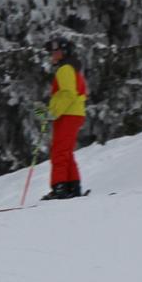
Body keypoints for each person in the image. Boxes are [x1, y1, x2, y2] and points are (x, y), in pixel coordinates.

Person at [43, 36, 88, 199]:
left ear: (65, 51)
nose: (53, 55)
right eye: (52, 52)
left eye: (56, 51)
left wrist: (53, 113)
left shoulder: (65, 69)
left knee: (59, 151)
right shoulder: (70, 68)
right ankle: (72, 186)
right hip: (70, 113)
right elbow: (64, 95)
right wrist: (49, 112)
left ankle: (60, 187)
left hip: (68, 114)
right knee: (66, 151)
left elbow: (68, 94)